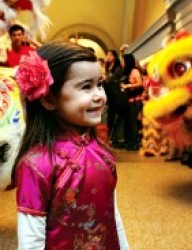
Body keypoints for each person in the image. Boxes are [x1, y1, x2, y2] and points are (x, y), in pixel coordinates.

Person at [14, 41, 129, 249]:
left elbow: (112, 213)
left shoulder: (102, 153)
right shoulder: (36, 166)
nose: (99, 96)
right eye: (86, 87)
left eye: (100, 84)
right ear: (49, 99)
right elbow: (31, 240)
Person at [120, 53, 144, 150]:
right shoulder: (126, 71)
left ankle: (134, 142)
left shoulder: (134, 71)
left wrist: (128, 86)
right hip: (129, 100)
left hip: (135, 100)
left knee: (133, 122)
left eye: (123, 60)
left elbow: (140, 83)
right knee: (129, 122)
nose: (121, 62)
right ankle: (129, 141)